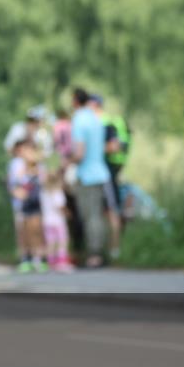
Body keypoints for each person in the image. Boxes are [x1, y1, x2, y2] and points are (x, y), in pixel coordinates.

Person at [70, 87, 111, 268]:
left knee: (90, 216)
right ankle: (99, 253)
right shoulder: (96, 118)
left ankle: (94, 256)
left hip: (87, 174)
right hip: (100, 172)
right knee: (97, 215)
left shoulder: (79, 119)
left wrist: (66, 163)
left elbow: (80, 153)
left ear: (75, 101)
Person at [87, 94, 123, 260]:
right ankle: (102, 251)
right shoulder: (92, 125)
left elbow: (115, 146)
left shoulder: (106, 124)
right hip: (95, 175)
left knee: (111, 212)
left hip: (106, 174)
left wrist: (95, 148)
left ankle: (115, 250)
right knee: (98, 214)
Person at [12, 142, 48, 272]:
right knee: (24, 231)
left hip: (38, 204)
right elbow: (15, 184)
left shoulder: (40, 168)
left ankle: (41, 258)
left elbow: (46, 182)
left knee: (37, 231)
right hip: (23, 204)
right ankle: (26, 258)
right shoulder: (18, 167)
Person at [6, 139, 31, 272]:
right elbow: (11, 183)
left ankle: (36, 257)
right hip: (20, 202)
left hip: (33, 202)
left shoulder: (34, 163)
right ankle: (24, 257)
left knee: (34, 229)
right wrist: (16, 192)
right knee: (21, 229)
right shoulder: (14, 164)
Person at [41, 172, 74, 272]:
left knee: (50, 242)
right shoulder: (57, 193)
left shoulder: (44, 193)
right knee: (62, 241)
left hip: (47, 221)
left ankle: (51, 261)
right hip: (58, 221)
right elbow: (60, 206)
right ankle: (61, 261)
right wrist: (67, 213)